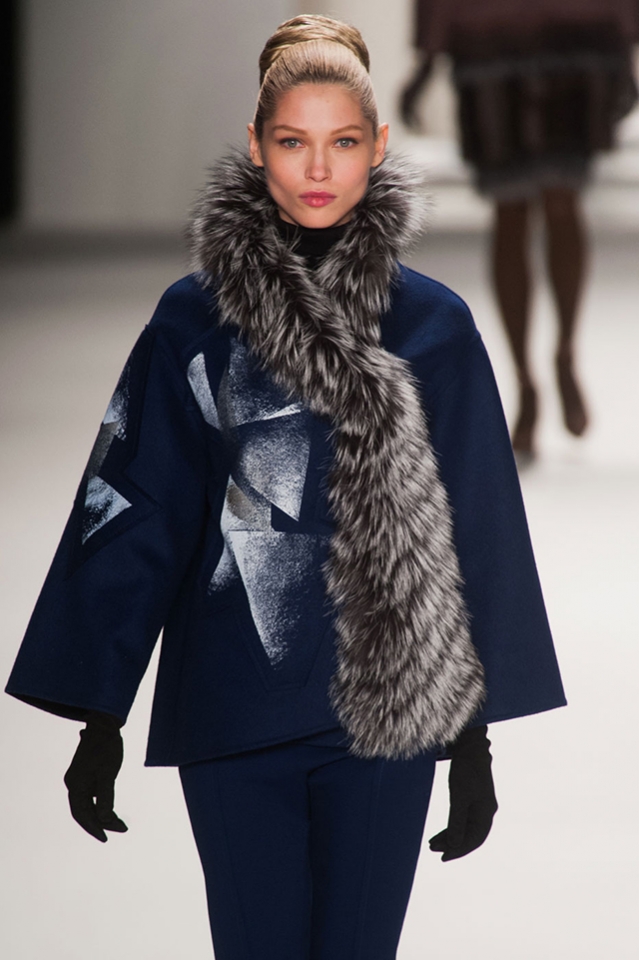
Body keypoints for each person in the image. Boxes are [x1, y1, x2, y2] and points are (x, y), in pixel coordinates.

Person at [6, 15, 566, 960]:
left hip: (387, 718)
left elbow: (478, 527)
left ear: (377, 147)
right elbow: (140, 504)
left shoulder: (434, 327)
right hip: (235, 702)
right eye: (292, 141)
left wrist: (470, 739)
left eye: (341, 142)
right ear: (256, 146)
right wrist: (100, 713)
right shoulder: (193, 319)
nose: (317, 168)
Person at [401, 0, 639, 456]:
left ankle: (562, 352)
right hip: (503, 39)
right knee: (518, 208)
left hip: (563, 36)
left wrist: (625, 39)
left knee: (557, 201)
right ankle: (526, 379)